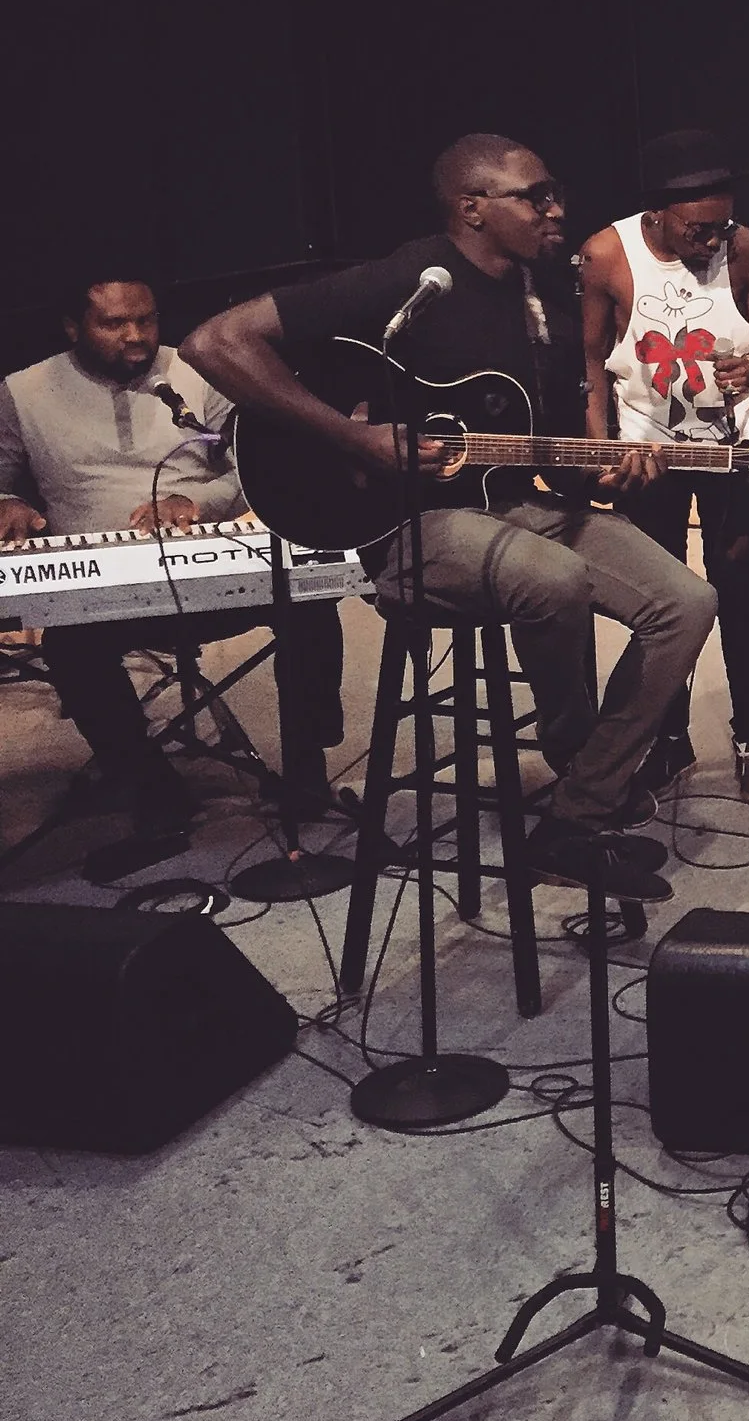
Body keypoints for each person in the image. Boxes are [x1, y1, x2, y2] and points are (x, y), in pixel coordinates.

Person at [185, 133, 713, 898]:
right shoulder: (410, 279)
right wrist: (354, 438)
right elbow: (215, 342)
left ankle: (577, 813)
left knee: (687, 601)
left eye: (555, 194)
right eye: (535, 196)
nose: (555, 209)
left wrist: (610, 471)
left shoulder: (546, 303)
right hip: (406, 523)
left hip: (517, 504)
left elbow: (548, 454)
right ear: (472, 207)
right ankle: (577, 753)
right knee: (554, 578)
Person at [0, 272, 346, 877]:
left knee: (309, 601)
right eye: (114, 323)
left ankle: (306, 769)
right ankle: (150, 784)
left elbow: (250, 467)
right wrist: (8, 502)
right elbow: (2, 475)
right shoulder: (22, 390)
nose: (136, 336)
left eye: (147, 319)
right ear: (73, 328)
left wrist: (197, 502)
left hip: (202, 553)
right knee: (70, 645)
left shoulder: (197, 371)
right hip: (101, 577)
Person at [581, 128, 749, 805]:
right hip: (647, 452)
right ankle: (668, 740)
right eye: (699, 229)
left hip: (733, 447)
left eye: (721, 226)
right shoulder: (607, 254)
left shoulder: (746, 248)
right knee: (663, 599)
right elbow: (590, 359)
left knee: (740, 591)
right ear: (658, 215)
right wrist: (600, 450)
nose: (713, 241)